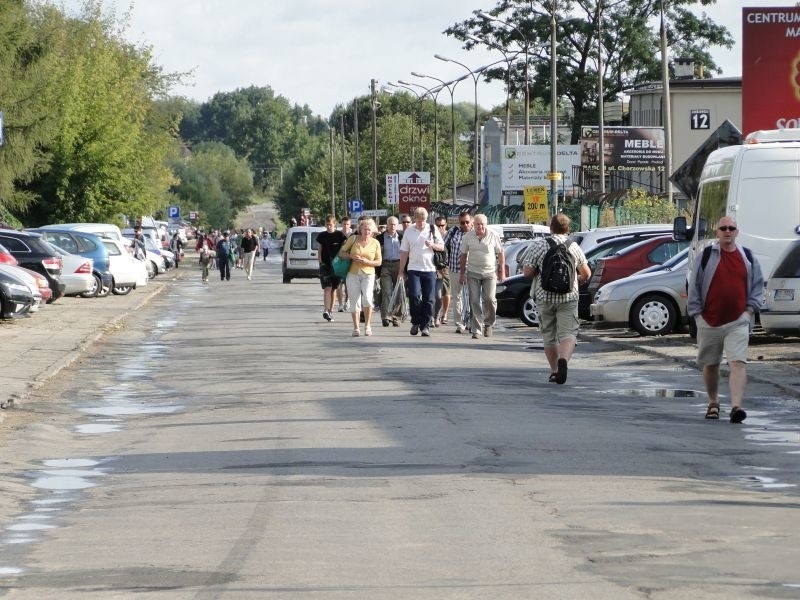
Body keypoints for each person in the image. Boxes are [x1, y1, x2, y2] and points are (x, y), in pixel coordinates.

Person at [688, 216, 764, 423]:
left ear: (737, 232)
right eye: (724, 228)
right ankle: (713, 402)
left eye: (732, 228)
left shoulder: (747, 256)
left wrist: (749, 311)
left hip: (738, 321)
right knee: (711, 364)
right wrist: (697, 316)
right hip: (709, 320)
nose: (728, 231)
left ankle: (736, 407)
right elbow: (694, 286)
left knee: (737, 363)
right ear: (718, 232)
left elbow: (758, 286)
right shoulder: (706, 256)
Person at [522, 213, 591, 384]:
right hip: (569, 296)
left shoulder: (539, 245)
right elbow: (586, 273)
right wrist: (575, 280)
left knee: (549, 335)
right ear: (568, 229)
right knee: (568, 333)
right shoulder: (574, 246)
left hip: (544, 297)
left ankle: (554, 370)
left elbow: (527, 272)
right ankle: (564, 361)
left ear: (550, 227)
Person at [398, 207, 445, 337]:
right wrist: (401, 271)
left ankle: (425, 326)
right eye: (418, 221)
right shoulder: (409, 231)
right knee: (414, 296)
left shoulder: (432, 229)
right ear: (414, 219)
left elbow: (442, 246)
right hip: (414, 269)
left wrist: (433, 245)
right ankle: (415, 322)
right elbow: (404, 252)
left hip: (429, 269)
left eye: (423, 220)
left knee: (429, 299)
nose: (421, 223)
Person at [459, 214, 505, 339]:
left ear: (486, 224)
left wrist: (502, 271)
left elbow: (500, 253)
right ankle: (476, 330)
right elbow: (463, 256)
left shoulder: (493, 235)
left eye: (482, 224)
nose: (480, 227)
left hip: (490, 272)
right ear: (473, 225)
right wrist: (462, 273)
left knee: (489, 299)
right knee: (474, 301)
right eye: (477, 224)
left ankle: (489, 324)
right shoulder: (467, 237)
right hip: (473, 272)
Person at [339, 218, 382, 337]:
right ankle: (356, 327)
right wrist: (351, 256)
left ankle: (367, 326)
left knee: (367, 299)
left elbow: (379, 262)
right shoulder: (353, 239)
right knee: (354, 301)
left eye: (369, 229)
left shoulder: (375, 243)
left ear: (372, 230)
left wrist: (367, 261)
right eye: (364, 229)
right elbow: (341, 253)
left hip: (368, 274)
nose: (367, 231)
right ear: (360, 229)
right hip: (353, 273)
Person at [444, 213, 473, 333]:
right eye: (462, 222)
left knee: (473, 298)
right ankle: (460, 323)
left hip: (472, 270)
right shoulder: (453, 232)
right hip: (454, 269)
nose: (465, 225)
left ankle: (472, 322)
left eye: (467, 222)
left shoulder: (476, 233)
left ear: (471, 222)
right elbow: (443, 246)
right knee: (457, 297)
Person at [316, 215, 347, 322]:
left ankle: (330, 311)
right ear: (325, 224)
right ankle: (326, 309)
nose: (329, 227)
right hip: (325, 265)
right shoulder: (322, 236)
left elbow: (344, 248)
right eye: (327, 225)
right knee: (327, 288)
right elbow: (319, 250)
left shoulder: (340, 235)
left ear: (334, 224)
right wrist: (320, 262)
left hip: (337, 266)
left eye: (331, 225)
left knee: (334, 289)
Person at [376, 216, 403, 327]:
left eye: (394, 224)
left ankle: (396, 317)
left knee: (398, 292)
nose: (392, 226)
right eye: (390, 224)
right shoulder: (380, 238)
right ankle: (385, 316)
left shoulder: (401, 237)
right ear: (386, 225)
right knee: (386, 291)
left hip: (398, 265)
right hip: (385, 265)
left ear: (397, 225)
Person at [433, 216, 451, 327]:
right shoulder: (432, 235)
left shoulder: (448, 236)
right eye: (438, 225)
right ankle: (436, 315)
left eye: (442, 225)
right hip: (434, 267)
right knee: (437, 294)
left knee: (447, 292)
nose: (440, 227)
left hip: (447, 267)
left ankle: (444, 314)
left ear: (446, 225)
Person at [336, 216, 353, 312]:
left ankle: (347, 301)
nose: (346, 226)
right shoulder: (338, 234)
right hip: (339, 261)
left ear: (350, 224)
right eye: (344, 224)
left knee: (348, 285)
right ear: (341, 224)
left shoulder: (353, 235)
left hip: (350, 262)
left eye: (347, 224)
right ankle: (340, 304)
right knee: (339, 284)